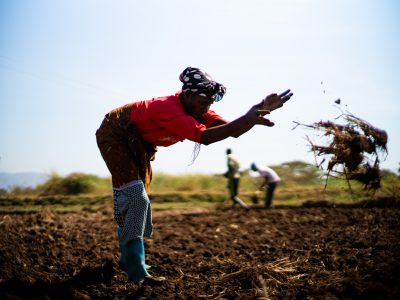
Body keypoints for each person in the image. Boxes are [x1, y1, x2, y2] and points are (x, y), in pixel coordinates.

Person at [96, 66, 293, 284]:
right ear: (187, 95)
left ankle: (129, 257)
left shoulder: (198, 108)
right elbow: (206, 137)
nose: (206, 107)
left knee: (136, 201)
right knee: (136, 198)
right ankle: (136, 271)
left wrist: (259, 110)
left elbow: (232, 130)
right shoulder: (167, 108)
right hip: (115, 132)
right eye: (203, 102)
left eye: (210, 103)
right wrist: (247, 119)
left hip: (139, 141)